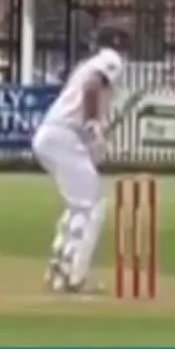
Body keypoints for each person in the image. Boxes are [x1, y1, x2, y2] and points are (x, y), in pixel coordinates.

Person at [32, 26, 127, 294]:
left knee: (79, 205)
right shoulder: (109, 60)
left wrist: (91, 139)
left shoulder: (86, 64)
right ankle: (73, 275)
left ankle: (59, 267)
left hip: (51, 135)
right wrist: (93, 122)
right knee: (92, 205)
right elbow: (93, 86)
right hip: (64, 135)